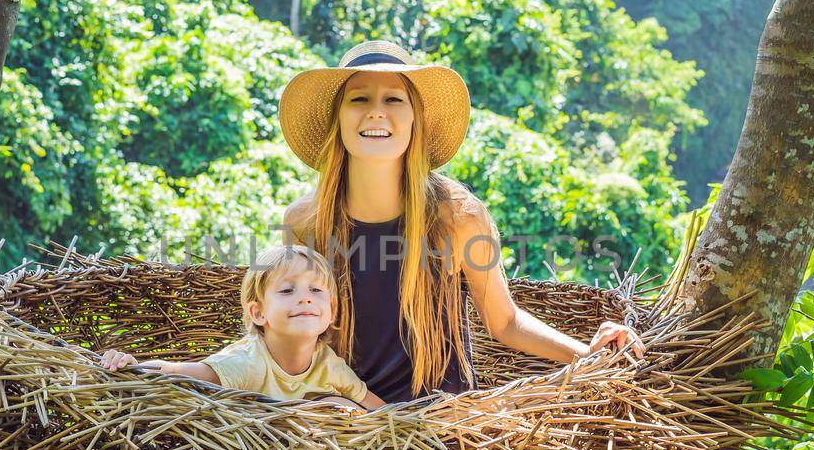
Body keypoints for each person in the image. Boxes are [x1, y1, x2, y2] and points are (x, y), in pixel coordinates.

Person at [276, 40, 646, 403]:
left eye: (393, 99)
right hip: (343, 428)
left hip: (443, 430)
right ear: (337, 119)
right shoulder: (306, 222)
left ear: (415, 120)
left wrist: (590, 354)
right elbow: (291, 329)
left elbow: (505, 322)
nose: (375, 112)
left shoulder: (456, 216)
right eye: (358, 99)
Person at [98, 245, 387, 410]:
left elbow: (383, 413)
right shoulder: (249, 363)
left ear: (331, 312)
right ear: (258, 312)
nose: (305, 297)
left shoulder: (329, 365)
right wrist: (135, 366)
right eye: (287, 291)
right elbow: (182, 372)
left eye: (315, 289)